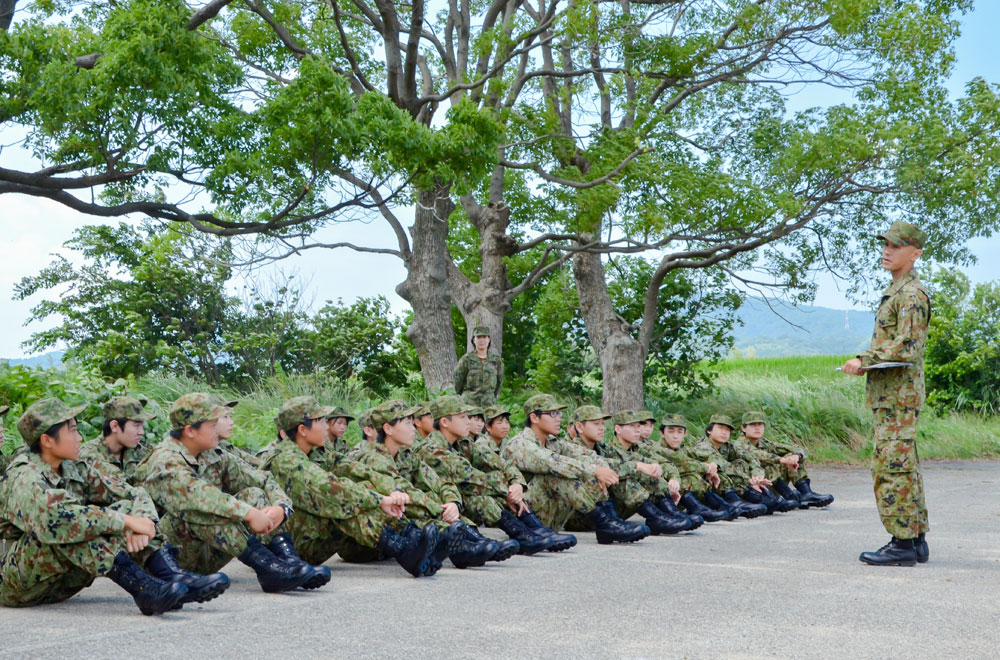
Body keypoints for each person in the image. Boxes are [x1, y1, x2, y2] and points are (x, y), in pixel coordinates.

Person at [1, 398, 228, 614]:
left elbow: (133, 492)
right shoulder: (23, 475)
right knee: (75, 522)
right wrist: (125, 522)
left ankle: (170, 575)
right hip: (16, 584)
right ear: (47, 440)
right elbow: (55, 518)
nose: (80, 438)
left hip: (61, 583)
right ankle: (144, 589)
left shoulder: (74, 468)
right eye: (72, 431)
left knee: (114, 511)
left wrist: (142, 520)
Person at [135, 393, 325, 592]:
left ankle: (286, 562)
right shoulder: (165, 458)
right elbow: (198, 496)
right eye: (212, 423)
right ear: (190, 430)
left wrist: (281, 507)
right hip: (161, 560)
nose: (219, 427)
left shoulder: (212, 453)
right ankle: (267, 566)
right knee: (201, 509)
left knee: (253, 494)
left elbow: (262, 478)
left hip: (202, 552)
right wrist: (250, 514)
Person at [259, 396, 441, 578]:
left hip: (306, 533)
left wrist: (392, 490)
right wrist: (381, 500)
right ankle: (404, 549)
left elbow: (353, 468)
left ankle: (412, 540)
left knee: (361, 487)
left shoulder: (314, 451)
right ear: (302, 430)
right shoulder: (286, 460)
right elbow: (329, 488)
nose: (326, 426)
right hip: (286, 549)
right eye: (321, 421)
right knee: (341, 500)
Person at [841, 221, 931, 567]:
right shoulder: (898, 291)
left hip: (898, 398)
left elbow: (907, 347)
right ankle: (915, 540)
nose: (887, 251)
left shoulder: (910, 294)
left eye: (896, 246)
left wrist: (865, 359)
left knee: (891, 469)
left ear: (915, 253)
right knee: (905, 467)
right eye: (886, 245)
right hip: (892, 396)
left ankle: (903, 544)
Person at [342, 399, 498, 569]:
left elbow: (439, 481)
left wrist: (453, 502)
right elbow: (405, 491)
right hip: (362, 543)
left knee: (429, 496)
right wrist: (442, 512)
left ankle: (468, 542)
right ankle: (462, 545)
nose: (413, 429)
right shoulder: (372, 457)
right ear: (388, 429)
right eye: (408, 423)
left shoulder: (406, 455)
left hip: (395, 529)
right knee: (408, 501)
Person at [501, 394, 649, 544]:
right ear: (534, 418)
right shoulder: (519, 444)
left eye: (559, 413)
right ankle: (604, 522)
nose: (558, 418)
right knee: (560, 473)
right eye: (552, 414)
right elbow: (552, 462)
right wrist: (594, 470)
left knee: (586, 465)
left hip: (549, 517)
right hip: (522, 518)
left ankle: (609, 524)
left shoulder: (553, 443)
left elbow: (586, 454)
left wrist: (600, 468)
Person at [565, 408, 697, 535]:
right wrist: (638, 466)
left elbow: (634, 459)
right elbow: (599, 465)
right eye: (596, 424)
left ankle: (660, 516)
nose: (602, 428)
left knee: (643, 473)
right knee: (623, 477)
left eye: (602, 424)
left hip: (605, 511)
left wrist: (653, 466)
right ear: (580, 427)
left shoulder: (603, 449)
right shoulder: (571, 449)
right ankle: (654, 517)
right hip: (577, 516)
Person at [736, 411, 833, 508]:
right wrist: (782, 460)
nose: (757, 428)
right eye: (753, 425)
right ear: (744, 428)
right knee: (769, 463)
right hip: (755, 487)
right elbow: (760, 455)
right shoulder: (739, 444)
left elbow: (793, 448)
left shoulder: (764, 442)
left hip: (771, 485)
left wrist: (796, 456)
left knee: (791, 456)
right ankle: (787, 495)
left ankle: (806, 493)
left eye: (760, 425)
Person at [686, 414, 775, 519]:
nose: (724, 432)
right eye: (720, 428)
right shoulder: (703, 447)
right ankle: (734, 501)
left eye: (727, 430)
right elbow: (723, 465)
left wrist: (757, 475)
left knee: (740, 462)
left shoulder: (727, 446)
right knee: (720, 471)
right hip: (706, 489)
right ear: (709, 431)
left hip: (724, 487)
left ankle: (745, 499)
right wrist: (749, 481)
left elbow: (751, 458)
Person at [655, 414, 733, 522]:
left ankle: (715, 505)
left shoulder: (682, 448)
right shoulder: (657, 448)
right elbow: (682, 461)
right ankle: (696, 508)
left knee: (699, 474)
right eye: (671, 431)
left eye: (679, 432)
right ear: (662, 433)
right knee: (691, 476)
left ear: (685, 434)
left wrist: (713, 465)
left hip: (676, 497)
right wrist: (706, 467)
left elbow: (710, 455)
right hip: (660, 497)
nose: (675, 436)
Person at [77, 396, 157, 483]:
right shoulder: (88, 457)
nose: (141, 432)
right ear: (114, 426)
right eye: (136, 425)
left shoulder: (143, 451)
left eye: (142, 425)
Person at [453, 325, 503, 406]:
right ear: (473, 340)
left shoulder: (496, 361)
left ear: (489, 340)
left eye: (484, 337)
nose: (481, 340)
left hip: (489, 406)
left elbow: (498, 383)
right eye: (478, 337)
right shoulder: (466, 359)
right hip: (469, 405)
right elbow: (458, 381)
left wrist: (491, 398)